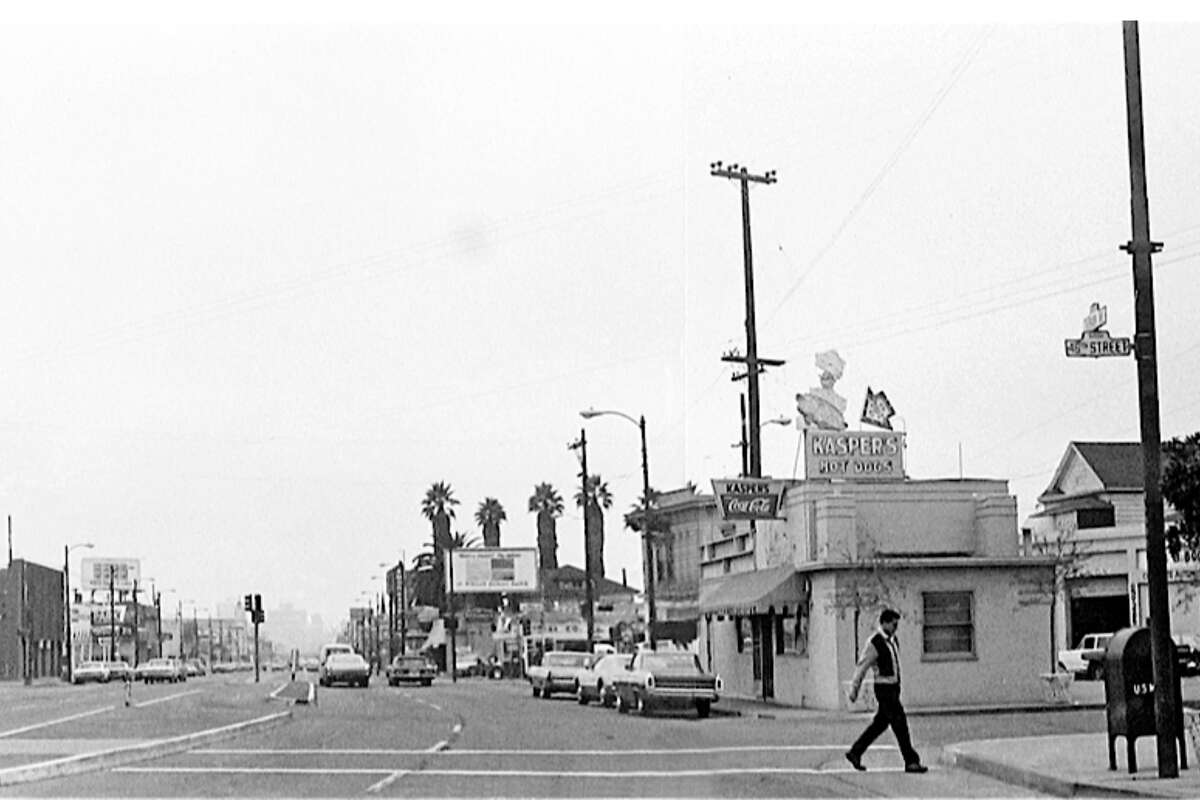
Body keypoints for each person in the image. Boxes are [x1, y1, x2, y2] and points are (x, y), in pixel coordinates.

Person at [845, 608, 928, 774]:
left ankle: (855, 752)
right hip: (884, 689)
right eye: (892, 623)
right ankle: (911, 761)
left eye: (896, 623)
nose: (895, 627)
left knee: (879, 724)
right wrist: (854, 689)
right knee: (900, 724)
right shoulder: (875, 642)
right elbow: (862, 666)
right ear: (883, 623)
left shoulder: (893, 641)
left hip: (893, 688)